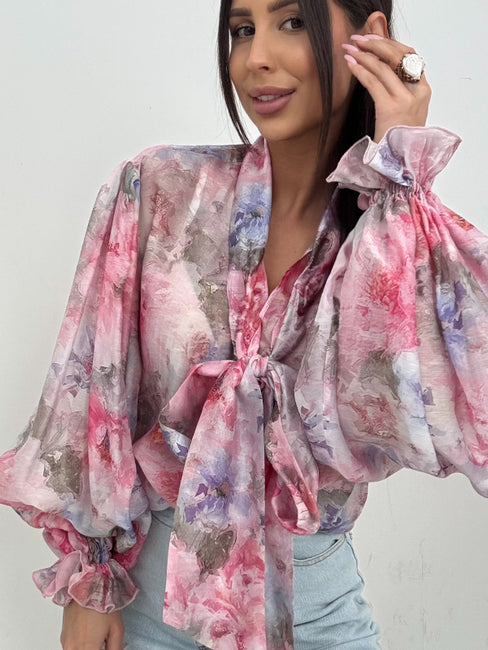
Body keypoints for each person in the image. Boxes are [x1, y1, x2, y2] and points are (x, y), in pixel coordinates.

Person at [1, 0, 488, 649]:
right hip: (151, 601)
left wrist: (398, 177)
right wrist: (90, 577)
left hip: (314, 609)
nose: (256, 57)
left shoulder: (400, 230)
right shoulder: (160, 187)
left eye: (292, 22)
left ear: (369, 36)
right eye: (241, 29)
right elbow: (92, 389)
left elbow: (416, 415)